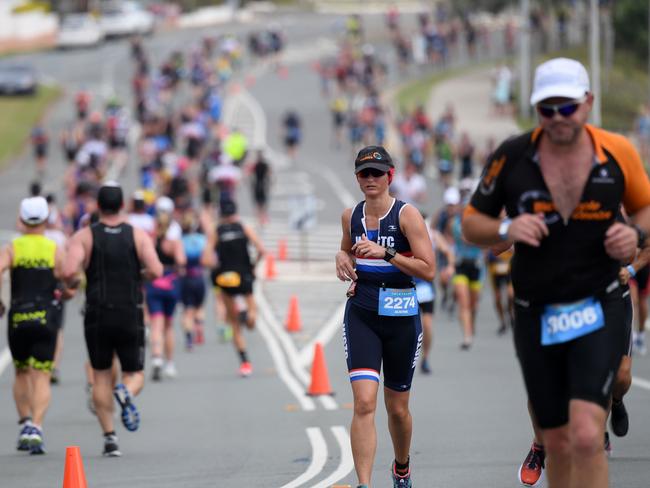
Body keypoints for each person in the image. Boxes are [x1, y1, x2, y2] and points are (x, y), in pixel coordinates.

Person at [462, 57, 650, 488]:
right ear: (535, 110)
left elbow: (645, 206)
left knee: (586, 434)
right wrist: (507, 227)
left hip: (601, 300)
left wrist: (633, 233)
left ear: (588, 103)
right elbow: (472, 224)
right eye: (548, 109)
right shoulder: (511, 155)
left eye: (568, 107)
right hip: (537, 308)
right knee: (559, 439)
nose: (559, 118)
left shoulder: (617, 150)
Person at [335, 146, 435, 488]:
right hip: (362, 313)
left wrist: (388, 253)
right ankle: (364, 484)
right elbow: (347, 249)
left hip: (401, 317)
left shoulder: (407, 215)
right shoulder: (351, 216)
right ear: (357, 178)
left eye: (377, 173)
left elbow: (429, 270)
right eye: (364, 173)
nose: (371, 179)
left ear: (390, 176)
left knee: (397, 410)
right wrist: (340, 257)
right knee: (364, 403)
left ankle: (402, 466)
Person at [63, 183, 162, 456]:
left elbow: (69, 270)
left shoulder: (85, 236)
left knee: (101, 375)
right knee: (135, 374)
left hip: (97, 312)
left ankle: (110, 438)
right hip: (129, 311)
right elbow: (156, 268)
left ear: (98, 207)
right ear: (122, 206)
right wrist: (139, 276)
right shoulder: (137, 235)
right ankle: (126, 393)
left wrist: (75, 281)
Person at [0, 197, 72, 454]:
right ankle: (37, 427)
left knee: (21, 372)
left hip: (18, 316)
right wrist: (68, 291)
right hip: (46, 318)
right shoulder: (53, 248)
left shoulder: (13, 247)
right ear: (45, 220)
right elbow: (69, 275)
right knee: (42, 373)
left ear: (21, 219)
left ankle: (24, 423)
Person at [202, 199, 265, 377]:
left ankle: (245, 362)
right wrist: (253, 265)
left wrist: (216, 267)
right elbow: (261, 249)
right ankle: (249, 316)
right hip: (244, 275)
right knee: (252, 317)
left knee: (234, 324)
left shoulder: (216, 231)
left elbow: (205, 259)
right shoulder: (243, 227)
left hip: (225, 277)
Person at [147, 208, 186, 380]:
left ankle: (156, 357)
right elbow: (182, 260)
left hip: (154, 284)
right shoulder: (173, 242)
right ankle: (170, 363)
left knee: (156, 323)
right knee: (169, 325)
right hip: (171, 283)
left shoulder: (150, 241)